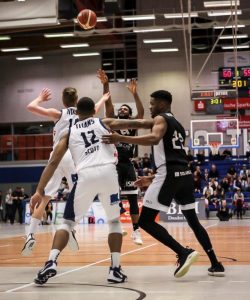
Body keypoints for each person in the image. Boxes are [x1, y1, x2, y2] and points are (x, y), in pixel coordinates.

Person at [102, 90, 225, 277]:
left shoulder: (160, 119)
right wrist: (150, 178)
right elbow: (175, 157)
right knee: (193, 221)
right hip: (184, 175)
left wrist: (121, 137)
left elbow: (153, 137)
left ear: (161, 103)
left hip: (169, 175)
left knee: (145, 221)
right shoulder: (177, 124)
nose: (150, 106)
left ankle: (183, 252)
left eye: (152, 103)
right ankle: (215, 263)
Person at [31, 94, 150, 285]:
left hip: (85, 176)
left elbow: (53, 162)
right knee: (114, 222)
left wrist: (39, 190)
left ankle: (51, 262)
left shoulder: (68, 132)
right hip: (109, 174)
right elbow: (141, 123)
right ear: (94, 111)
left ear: (77, 113)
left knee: (68, 223)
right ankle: (115, 269)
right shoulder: (105, 122)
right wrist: (161, 121)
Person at [21, 87, 107, 256]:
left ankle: (30, 235)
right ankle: (71, 230)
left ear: (63, 100)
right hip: (75, 156)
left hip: (57, 155)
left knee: (44, 198)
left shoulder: (58, 113)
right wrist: (104, 98)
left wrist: (39, 98)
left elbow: (30, 107)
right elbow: (95, 107)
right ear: (77, 100)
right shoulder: (84, 112)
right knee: (77, 197)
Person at [97, 69, 144, 245]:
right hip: (113, 163)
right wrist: (106, 84)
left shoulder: (132, 125)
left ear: (128, 113)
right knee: (112, 196)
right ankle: (116, 225)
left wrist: (135, 94)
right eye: (121, 108)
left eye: (126, 108)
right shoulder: (112, 123)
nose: (123, 109)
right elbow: (108, 105)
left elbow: (141, 115)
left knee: (133, 199)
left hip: (128, 165)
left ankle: (136, 232)